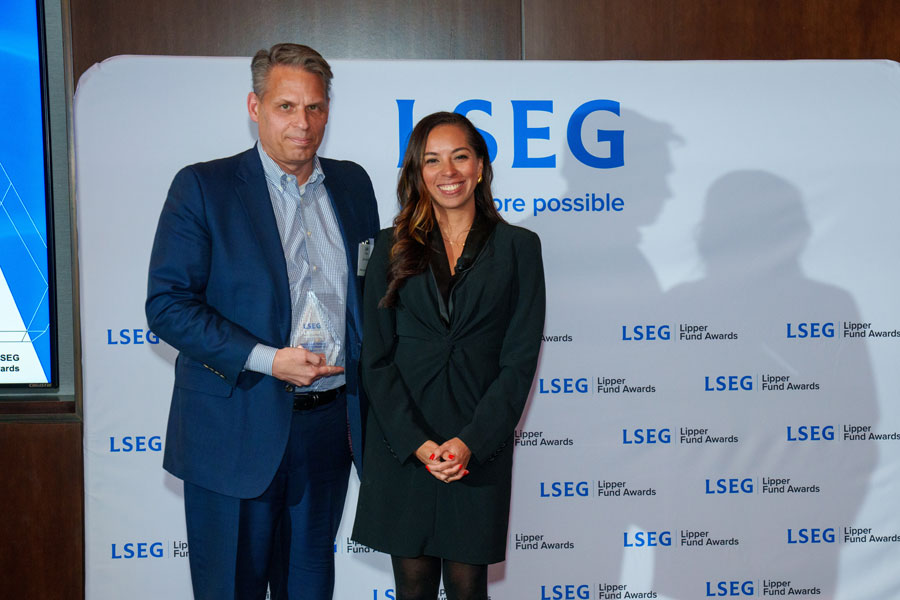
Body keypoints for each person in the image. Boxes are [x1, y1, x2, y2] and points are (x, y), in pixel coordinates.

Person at [145, 43, 379, 600]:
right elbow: (168, 304)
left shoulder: (353, 184)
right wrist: (269, 360)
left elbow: (372, 298)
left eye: (315, 107)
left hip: (329, 432)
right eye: (286, 106)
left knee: (310, 588)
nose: (303, 123)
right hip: (235, 428)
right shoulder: (204, 187)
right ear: (255, 107)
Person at [351, 112, 545, 600]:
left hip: (478, 445)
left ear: (480, 166)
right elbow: (376, 358)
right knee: (412, 588)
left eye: (460, 156)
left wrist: (471, 442)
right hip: (404, 444)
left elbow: (519, 360)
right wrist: (418, 443)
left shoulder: (519, 247)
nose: (448, 171)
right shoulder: (389, 246)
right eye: (432, 160)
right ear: (418, 172)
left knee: (467, 587)